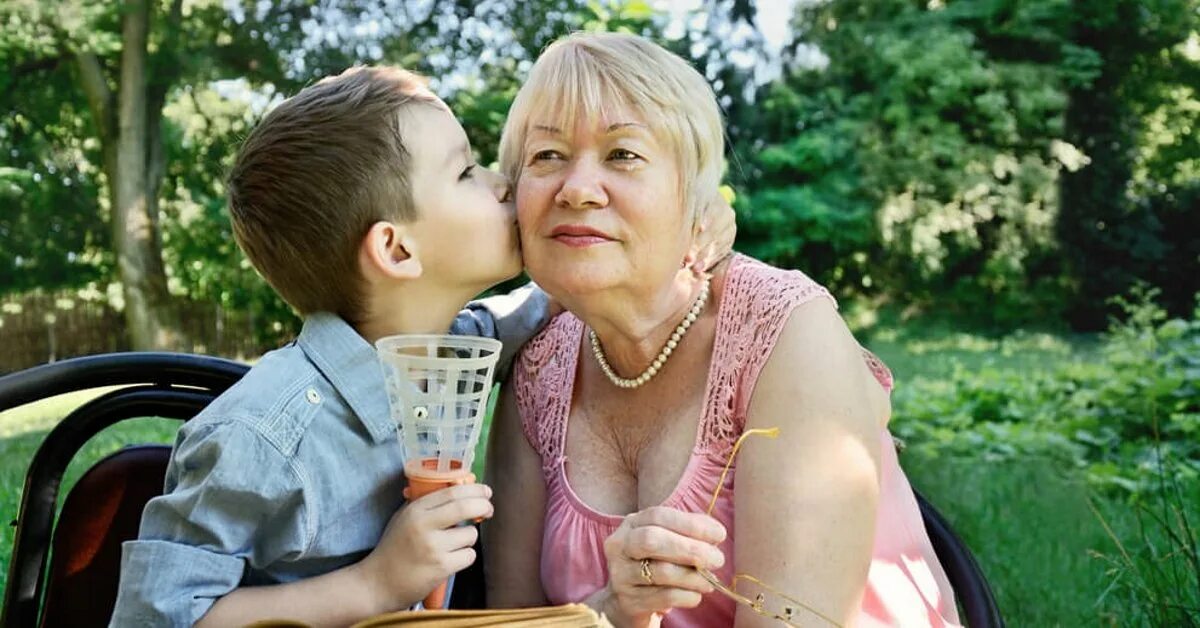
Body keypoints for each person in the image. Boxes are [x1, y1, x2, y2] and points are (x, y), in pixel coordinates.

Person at [484, 32, 962, 627]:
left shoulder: (784, 331)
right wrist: (609, 612)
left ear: (694, 197)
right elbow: (507, 619)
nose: (577, 188)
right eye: (547, 156)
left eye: (623, 155)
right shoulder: (535, 371)